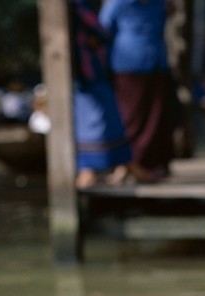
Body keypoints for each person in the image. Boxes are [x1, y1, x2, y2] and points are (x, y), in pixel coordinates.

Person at [100, 0, 177, 182]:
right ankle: (126, 163)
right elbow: (103, 30)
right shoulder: (118, 3)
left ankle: (151, 164)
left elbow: (171, 11)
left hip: (157, 62)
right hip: (129, 64)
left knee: (156, 116)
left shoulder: (158, 3)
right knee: (131, 116)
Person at [70, 0, 135, 187]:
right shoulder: (78, 5)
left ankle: (117, 167)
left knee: (93, 119)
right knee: (99, 118)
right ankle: (91, 171)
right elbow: (98, 30)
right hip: (87, 70)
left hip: (84, 71)